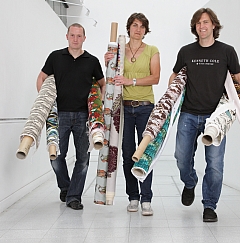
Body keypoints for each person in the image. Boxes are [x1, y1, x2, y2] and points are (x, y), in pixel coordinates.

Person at [168, 8, 240, 222]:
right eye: (198, 23)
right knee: (181, 157)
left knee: (215, 165)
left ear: (214, 25)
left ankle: (210, 206)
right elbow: (174, 75)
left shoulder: (227, 51)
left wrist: (234, 105)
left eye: (206, 22)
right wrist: (170, 98)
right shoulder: (186, 52)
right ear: (195, 27)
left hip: (216, 119)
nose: (202, 26)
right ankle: (190, 182)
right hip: (189, 114)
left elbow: (239, 78)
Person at [37, 23, 105, 210]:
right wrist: (45, 101)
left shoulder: (92, 61)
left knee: (83, 158)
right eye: (72, 35)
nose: (75, 39)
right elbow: (41, 78)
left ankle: (74, 196)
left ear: (84, 38)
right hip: (61, 115)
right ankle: (66, 186)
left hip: (84, 116)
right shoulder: (55, 57)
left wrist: (98, 107)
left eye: (79, 36)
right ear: (67, 36)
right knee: (56, 156)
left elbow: (102, 84)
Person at [105, 13, 160, 216]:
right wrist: (108, 61)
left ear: (146, 30)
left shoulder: (152, 50)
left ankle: (146, 199)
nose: (138, 29)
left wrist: (132, 81)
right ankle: (133, 197)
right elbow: (112, 76)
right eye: (135, 25)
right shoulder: (119, 50)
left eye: (142, 26)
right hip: (125, 108)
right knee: (128, 154)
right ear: (129, 28)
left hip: (146, 107)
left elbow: (155, 77)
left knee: (145, 153)